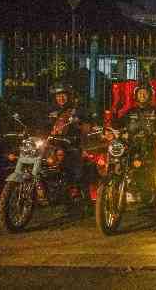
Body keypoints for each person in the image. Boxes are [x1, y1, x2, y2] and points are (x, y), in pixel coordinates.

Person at [114, 82, 156, 222]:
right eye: (140, 93)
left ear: (149, 95)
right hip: (132, 146)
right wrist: (113, 116)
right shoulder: (130, 112)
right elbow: (118, 124)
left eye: (145, 93)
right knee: (119, 164)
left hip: (149, 147)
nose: (142, 95)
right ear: (136, 96)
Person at [46, 82, 92, 214]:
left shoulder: (78, 110)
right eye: (58, 96)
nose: (61, 98)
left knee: (76, 171)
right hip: (53, 146)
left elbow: (87, 128)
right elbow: (42, 126)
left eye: (63, 96)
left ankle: (81, 199)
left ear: (69, 96)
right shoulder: (51, 111)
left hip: (72, 145)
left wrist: (79, 126)